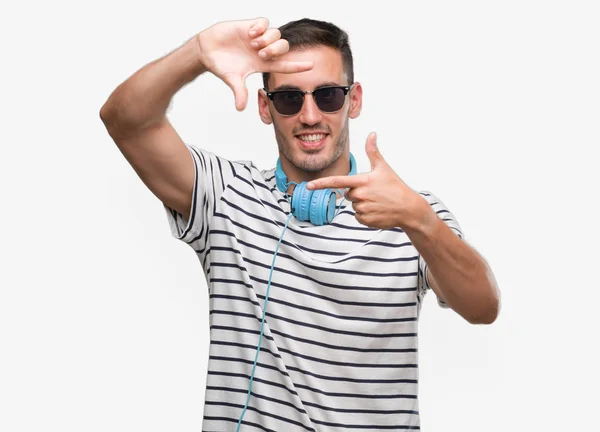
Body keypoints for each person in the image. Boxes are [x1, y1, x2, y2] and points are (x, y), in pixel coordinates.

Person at [100, 16, 500, 432]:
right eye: (289, 98)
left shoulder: (411, 213)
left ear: (354, 100)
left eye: (328, 95)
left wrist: (420, 221)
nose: (310, 116)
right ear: (264, 106)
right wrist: (196, 54)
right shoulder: (224, 195)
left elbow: (484, 307)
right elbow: (124, 120)